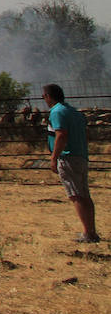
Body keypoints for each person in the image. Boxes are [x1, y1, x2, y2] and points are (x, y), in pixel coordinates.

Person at [43, 85, 98, 242]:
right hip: (81, 155)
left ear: (48, 96)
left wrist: (54, 157)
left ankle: (87, 233)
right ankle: (91, 230)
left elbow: (61, 135)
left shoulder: (57, 112)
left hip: (68, 157)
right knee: (84, 194)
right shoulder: (74, 112)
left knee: (75, 195)